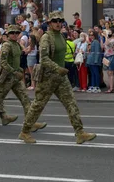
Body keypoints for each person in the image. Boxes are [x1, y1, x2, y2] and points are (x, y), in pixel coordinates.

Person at [18, 11, 96, 144]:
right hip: (48, 76)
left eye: (60, 21)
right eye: (55, 21)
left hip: (60, 77)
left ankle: (80, 133)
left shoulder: (61, 36)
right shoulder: (47, 37)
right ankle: (25, 131)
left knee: (71, 103)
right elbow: (44, 59)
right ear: (49, 23)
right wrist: (57, 68)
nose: (58, 23)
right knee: (38, 105)